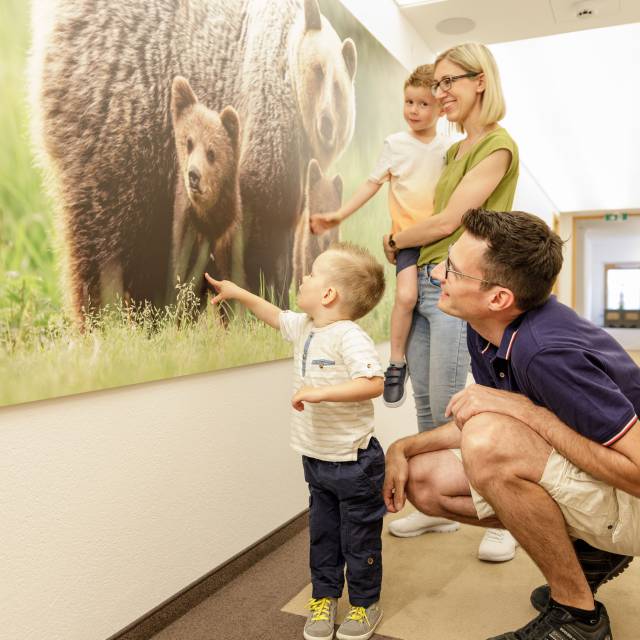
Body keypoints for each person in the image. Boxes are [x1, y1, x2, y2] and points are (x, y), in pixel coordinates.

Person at [384, 208, 640, 640]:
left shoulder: (545, 352)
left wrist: (527, 411)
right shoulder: (485, 326)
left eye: (452, 270)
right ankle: (590, 552)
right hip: (600, 475)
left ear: (498, 297)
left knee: (485, 444)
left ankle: (578, 616)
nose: (436, 277)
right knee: (424, 480)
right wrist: (404, 447)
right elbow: (487, 415)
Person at [205, 243, 387, 640]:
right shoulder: (305, 326)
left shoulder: (348, 336)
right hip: (317, 460)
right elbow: (272, 314)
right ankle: (323, 598)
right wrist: (238, 292)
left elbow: (373, 382)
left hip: (355, 462)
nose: (302, 277)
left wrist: (320, 392)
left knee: (358, 538)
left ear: (328, 295)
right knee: (323, 534)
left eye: (311, 272)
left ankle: (364, 603)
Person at [382, 42, 520, 562]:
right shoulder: (454, 150)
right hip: (425, 277)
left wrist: (397, 240)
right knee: (423, 402)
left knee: (451, 406)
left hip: (455, 286)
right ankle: (436, 506)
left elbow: (452, 221)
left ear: (479, 80)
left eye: (447, 83)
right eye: (434, 86)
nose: (439, 95)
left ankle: (500, 512)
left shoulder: (497, 146)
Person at [310, 64, 451, 409]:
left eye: (423, 104)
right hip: (406, 239)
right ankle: (396, 362)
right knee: (405, 296)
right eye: (409, 102)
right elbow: (371, 185)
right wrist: (339, 214)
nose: (414, 111)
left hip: (439, 240)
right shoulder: (395, 145)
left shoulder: (449, 149)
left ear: (441, 108)